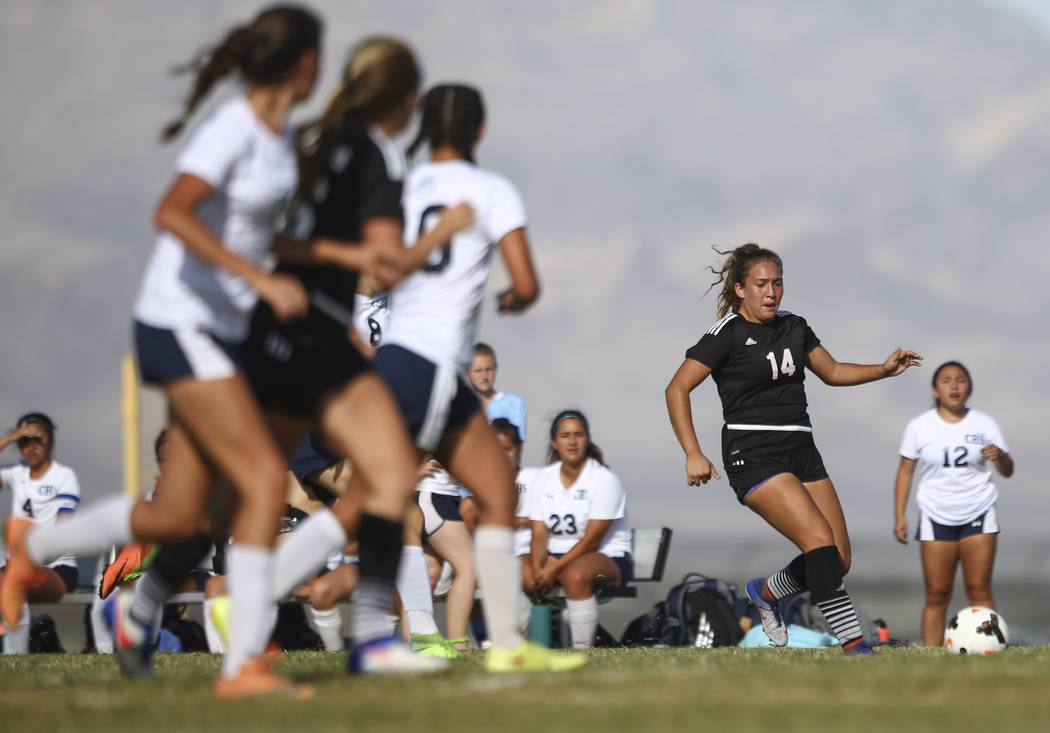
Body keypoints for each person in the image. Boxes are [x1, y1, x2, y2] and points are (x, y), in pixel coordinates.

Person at [97, 37, 468, 679]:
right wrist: (441, 235)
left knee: (237, 504)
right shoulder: (365, 157)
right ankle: (368, 635)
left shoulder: (310, 142)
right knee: (366, 488)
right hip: (302, 355)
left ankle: (158, 599)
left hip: (280, 346)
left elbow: (289, 244)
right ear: (405, 101)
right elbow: (374, 258)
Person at [1, 6, 324, 698]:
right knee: (266, 481)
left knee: (186, 515)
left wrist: (346, 257)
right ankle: (241, 668)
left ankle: (63, 567)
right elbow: (172, 212)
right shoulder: (233, 128)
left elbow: (258, 237)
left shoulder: (280, 134)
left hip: (217, 334)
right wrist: (258, 278)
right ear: (303, 62)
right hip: (178, 325)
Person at [274, 82, 585, 671]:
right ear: (480, 131)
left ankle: (259, 602)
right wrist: (515, 298)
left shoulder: (404, 186)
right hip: (431, 364)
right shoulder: (491, 190)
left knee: (459, 494)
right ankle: (502, 648)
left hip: (400, 362)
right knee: (455, 499)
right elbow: (526, 282)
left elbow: (379, 269)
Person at [665, 243, 922, 654]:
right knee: (818, 542)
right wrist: (692, 452)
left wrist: (883, 370)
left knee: (836, 559)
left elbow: (833, 371)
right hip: (753, 455)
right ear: (740, 289)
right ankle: (857, 648)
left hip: (802, 451)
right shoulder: (725, 335)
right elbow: (677, 388)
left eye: (777, 284)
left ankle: (765, 592)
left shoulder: (795, 327)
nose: (771, 292)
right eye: (761, 284)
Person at [893, 360, 1013, 646]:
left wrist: (1000, 457)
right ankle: (931, 654)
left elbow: (1008, 471)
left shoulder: (985, 423)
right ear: (935, 390)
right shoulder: (919, 426)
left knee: (978, 588)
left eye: (960, 379)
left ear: (969, 387)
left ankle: (990, 648)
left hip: (979, 513)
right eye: (946, 380)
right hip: (935, 516)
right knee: (937, 593)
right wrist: (899, 515)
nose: (954, 385)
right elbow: (905, 471)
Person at [527, 410, 632, 649]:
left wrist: (553, 569)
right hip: (557, 559)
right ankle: (520, 650)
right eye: (565, 435)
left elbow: (591, 542)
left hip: (608, 558)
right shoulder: (543, 479)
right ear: (554, 441)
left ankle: (583, 650)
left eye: (578, 435)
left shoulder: (604, 479)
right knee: (521, 575)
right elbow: (539, 532)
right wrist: (536, 568)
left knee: (576, 575)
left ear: (587, 439)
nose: (572, 441)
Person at [0, 413, 80, 653]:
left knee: (15, 583)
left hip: (57, 568)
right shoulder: (18, 473)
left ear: (51, 440)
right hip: (17, 566)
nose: (30, 446)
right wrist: (10, 437)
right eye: (24, 441)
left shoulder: (64, 477)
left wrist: (28, 557)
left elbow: (61, 530)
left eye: (37, 439)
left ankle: (16, 655)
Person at [468, 343, 527, 440]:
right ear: (467, 371)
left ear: (496, 368)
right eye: (478, 370)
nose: (484, 376)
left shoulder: (514, 403)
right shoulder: (458, 405)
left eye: (489, 369)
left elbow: (516, 444)